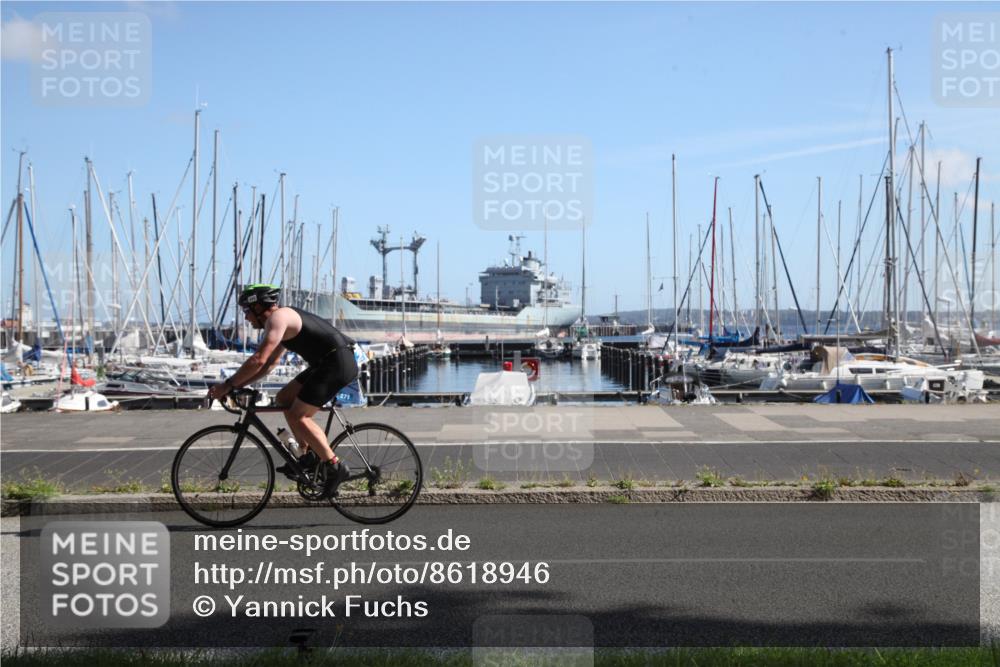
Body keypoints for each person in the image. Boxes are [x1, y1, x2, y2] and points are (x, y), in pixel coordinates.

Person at [208, 284, 358, 496]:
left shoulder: (277, 319)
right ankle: (307, 458)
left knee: (299, 416)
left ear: (259, 307)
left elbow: (258, 359)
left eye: (247, 312)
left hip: (336, 363)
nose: (247, 318)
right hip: (327, 362)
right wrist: (240, 384)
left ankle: (334, 466)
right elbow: (269, 364)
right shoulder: (282, 321)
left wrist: (228, 385)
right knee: (284, 398)